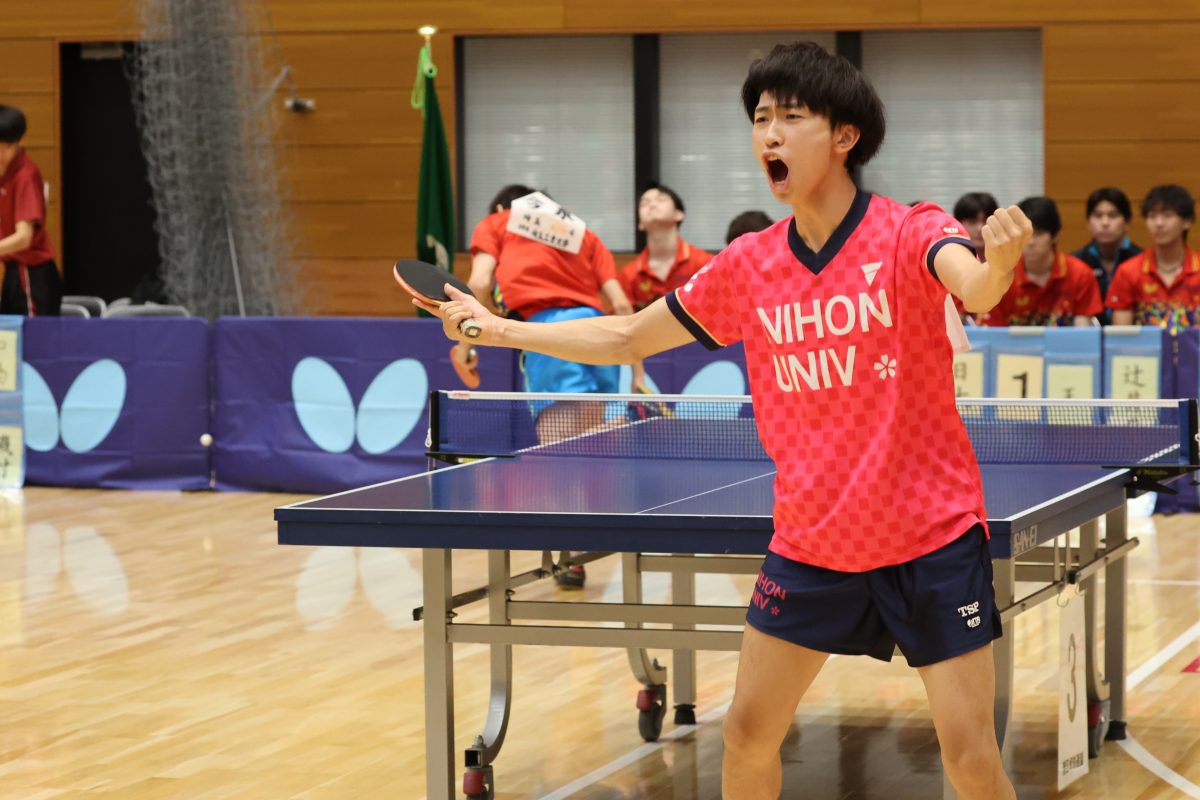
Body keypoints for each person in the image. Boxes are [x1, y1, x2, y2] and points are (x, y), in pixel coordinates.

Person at [420, 42, 1029, 799]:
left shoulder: (907, 231)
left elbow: (974, 285)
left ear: (844, 136)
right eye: (761, 118)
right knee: (746, 735)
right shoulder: (749, 264)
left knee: (970, 758)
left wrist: (999, 263)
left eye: (792, 117)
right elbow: (626, 336)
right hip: (813, 542)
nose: (769, 133)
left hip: (927, 536)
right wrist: (498, 328)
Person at [467, 184, 634, 587]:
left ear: (505, 206)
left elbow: (479, 282)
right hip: (599, 333)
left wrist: (468, 341)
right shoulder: (584, 234)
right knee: (589, 448)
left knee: (558, 453)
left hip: (550, 336)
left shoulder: (498, 221)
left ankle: (570, 557)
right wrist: (639, 373)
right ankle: (585, 544)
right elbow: (622, 305)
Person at [977, 196, 1102, 327]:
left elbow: (1082, 334)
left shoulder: (1080, 275)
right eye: (1026, 234)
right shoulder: (1001, 275)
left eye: (1039, 233)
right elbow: (992, 333)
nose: (1031, 242)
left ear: (1055, 236)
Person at [1106, 184, 1198, 331]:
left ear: (1187, 221)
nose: (1158, 223)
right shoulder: (1128, 272)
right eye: (1152, 216)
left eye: (1167, 215)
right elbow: (1122, 337)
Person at [0, 105, 61, 316]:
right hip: (13, 270)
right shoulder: (4, 174)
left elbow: (24, 238)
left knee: (33, 336)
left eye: (6, 146)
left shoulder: (25, 175)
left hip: (32, 272)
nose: (1, 153)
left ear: (17, 143)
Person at [1071, 187, 1142, 324]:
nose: (1105, 223)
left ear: (1127, 222)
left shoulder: (1141, 262)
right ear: (1088, 222)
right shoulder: (1076, 263)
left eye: (1113, 215)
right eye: (1098, 216)